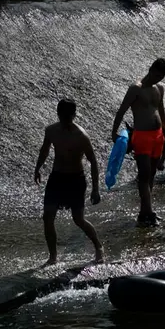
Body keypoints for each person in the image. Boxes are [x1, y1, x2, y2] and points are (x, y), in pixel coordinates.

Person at [34, 99, 104, 266]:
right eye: (61, 116)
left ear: (74, 115)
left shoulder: (81, 136)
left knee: (78, 219)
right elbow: (44, 150)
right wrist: (37, 167)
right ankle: (52, 257)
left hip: (75, 180)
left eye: (68, 116)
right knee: (47, 217)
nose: (65, 119)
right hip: (57, 178)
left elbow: (93, 162)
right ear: (57, 113)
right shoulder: (51, 131)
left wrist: (96, 189)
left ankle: (98, 246)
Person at [110, 58, 165, 225]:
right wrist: (114, 133)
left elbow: (162, 113)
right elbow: (121, 111)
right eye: (156, 75)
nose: (158, 79)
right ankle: (149, 212)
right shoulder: (136, 88)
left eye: (161, 77)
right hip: (141, 136)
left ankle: (144, 213)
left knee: (152, 176)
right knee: (144, 175)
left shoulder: (159, 89)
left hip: (158, 136)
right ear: (150, 69)